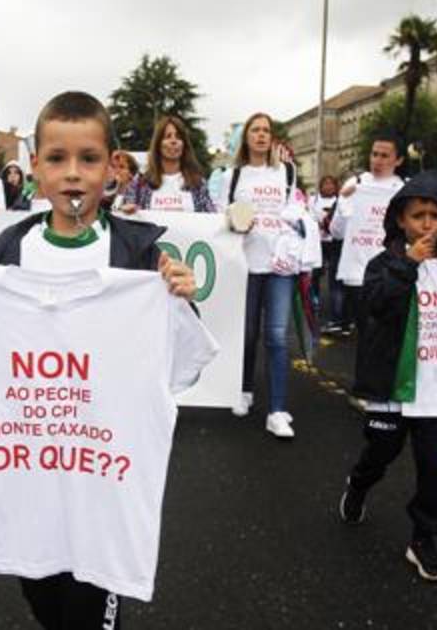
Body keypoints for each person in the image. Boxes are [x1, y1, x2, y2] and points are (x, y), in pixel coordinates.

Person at [0, 90, 198, 630]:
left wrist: (181, 300)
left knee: (87, 613)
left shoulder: (140, 257)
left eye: (88, 158)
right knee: (44, 597)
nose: (73, 174)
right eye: (57, 158)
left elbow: (184, 363)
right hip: (31, 487)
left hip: (103, 490)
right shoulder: (7, 252)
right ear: (34, 170)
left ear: (112, 167)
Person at [338, 172, 437, 583]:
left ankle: (423, 538)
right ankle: (359, 484)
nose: (427, 224)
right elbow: (374, 307)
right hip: (393, 388)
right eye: (418, 215)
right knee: (381, 453)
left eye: (435, 216)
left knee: (434, 470)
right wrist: (407, 265)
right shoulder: (384, 263)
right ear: (400, 219)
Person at [225, 112, 302, 437]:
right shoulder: (234, 175)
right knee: (247, 333)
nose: (261, 135)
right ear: (246, 137)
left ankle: (278, 410)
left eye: (266, 130)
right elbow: (224, 215)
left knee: (276, 335)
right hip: (245, 263)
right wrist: (237, 219)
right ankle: (242, 389)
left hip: (279, 265)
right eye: (255, 130)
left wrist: (293, 219)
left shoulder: (286, 171)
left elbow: (299, 212)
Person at [331, 133, 407, 335]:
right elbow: (336, 232)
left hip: (388, 274)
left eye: (384, 156)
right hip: (357, 274)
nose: (377, 160)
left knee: (385, 335)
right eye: (374, 154)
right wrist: (343, 203)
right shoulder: (355, 185)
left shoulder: (403, 192)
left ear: (398, 160)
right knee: (365, 333)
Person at [122, 116, 216, 213]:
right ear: (158, 144)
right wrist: (127, 210)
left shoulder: (198, 183)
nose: (173, 141)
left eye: (178, 137)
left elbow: (211, 217)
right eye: (167, 136)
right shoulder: (140, 182)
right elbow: (125, 211)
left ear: (184, 144)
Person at [309, 175, 343, 333]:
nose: (328, 187)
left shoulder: (340, 200)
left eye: (331, 184)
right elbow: (308, 218)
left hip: (335, 242)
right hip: (318, 242)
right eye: (325, 184)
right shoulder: (313, 200)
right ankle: (313, 301)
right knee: (315, 273)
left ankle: (336, 311)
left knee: (335, 277)